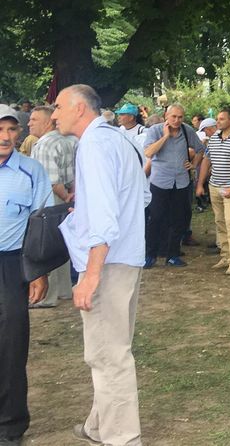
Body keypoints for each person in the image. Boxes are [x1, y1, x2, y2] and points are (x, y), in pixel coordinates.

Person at [52, 84, 149, 446]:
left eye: (58, 106)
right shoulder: (118, 139)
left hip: (107, 263)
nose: (54, 114)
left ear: (79, 108)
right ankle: (98, 426)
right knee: (108, 348)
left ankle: (122, 438)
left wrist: (91, 276)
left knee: (109, 355)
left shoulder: (94, 144)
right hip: (124, 258)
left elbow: (105, 218)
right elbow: (142, 196)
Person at [0, 104, 51, 446]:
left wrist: (38, 272)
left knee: (11, 345)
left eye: (11, 129)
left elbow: (41, 225)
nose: (5, 137)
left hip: (12, 264)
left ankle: (9, 425)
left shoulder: (32, 171)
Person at [27, 105, 76, 308]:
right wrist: (70, 197)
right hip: (63, 197)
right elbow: (71, 175)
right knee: (60, 243)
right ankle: (64, 290)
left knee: (45, 245)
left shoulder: (44, 144)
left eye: (34, 119)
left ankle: (47, 297)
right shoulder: (65, 140)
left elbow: (51, 181)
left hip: (48, 199)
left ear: (48, 122)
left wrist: (64, 197)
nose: (29, 123)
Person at [143, 104, 204, 267]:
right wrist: (165, 136)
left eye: (180, 117)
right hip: (160, 181)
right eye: (173, 117)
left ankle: (173, 255)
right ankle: (150, 255)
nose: (177, 120)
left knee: (178, 219)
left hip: (181, 181)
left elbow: (200, 149)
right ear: (166, 116)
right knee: (156, 218)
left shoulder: (187, 130)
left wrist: (193, 164)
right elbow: (148, 152)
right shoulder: (155, 130)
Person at [197, 106, 230, 276]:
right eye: (217, 119)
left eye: (221, 119)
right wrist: (200, 184)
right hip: (214, 186)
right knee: (220, 221)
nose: (218, 122)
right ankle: (225, 256)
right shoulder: (214, 138)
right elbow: (207, 160)